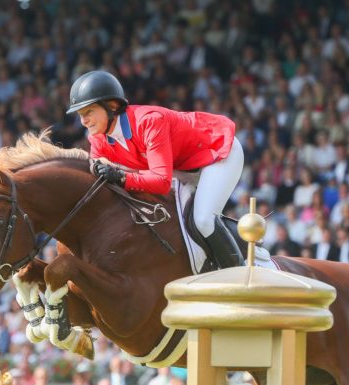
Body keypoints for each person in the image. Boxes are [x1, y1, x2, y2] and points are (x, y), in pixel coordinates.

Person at [68, 70, 244, 268]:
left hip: (217, 152)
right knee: (178, 222)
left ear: (112, 106)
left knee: (203, 219)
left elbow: (161, 181)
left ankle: (240, 275)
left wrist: (122, 177)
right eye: (80, 115)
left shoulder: (149, 121)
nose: (83, 121)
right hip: (182, 169)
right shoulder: (98, 140)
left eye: (88, 112)